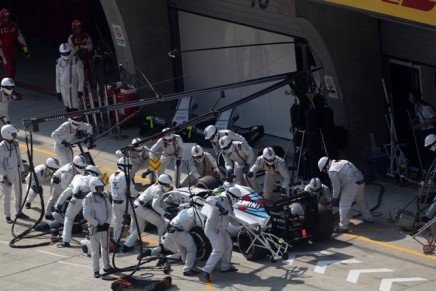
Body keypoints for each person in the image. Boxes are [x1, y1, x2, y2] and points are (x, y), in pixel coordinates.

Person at [141, 196, 205, 276]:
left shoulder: (184, 210)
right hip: (180, 233)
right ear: (198, 205)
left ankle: (186, 262)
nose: (201, 208)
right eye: (201, 206)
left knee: (181, 248)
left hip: (170, 232)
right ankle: (187, 270)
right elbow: (203, 225)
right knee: (192, 249)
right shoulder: (196, 212)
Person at [318, 156, 373, 233]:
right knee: (360, 201)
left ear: (326, 166)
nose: (325, 171)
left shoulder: (332, 171)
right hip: (361, 181)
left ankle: (343, 227)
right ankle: (369, 218)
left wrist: (334, 198)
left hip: (351, 184)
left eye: (324, 170)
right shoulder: (342, 161)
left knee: (343, 206)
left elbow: (336, 187)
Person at [121, 174, 173, 252]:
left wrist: (168, 207)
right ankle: (162, 245)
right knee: (161, 223)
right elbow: (155, 205)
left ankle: (126, 245)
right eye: (168, 185)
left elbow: (160, 203)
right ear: (163, 184)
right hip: (142, 209)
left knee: (140, 227)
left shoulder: (156, 186)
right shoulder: (158, 191)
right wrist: (165, 213)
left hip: (137, 206)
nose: (169, 186)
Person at [56, 165, 101, 247]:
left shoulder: (76, 177)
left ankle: (65, 241)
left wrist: (59, 204)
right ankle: (94, 238)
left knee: (68, 218)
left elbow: (66, 192)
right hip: (88, 200)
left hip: (75, 200)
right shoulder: (94, 179)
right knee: (93, 219)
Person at [201, 187, 240, 283]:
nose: (237, 200)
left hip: (222, 230)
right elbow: (209, 199)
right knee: (219, 249)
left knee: (229, 245)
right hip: (212, 229)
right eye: (237, 198)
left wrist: (244, 225)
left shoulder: (230, 206)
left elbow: (234, 221)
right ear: (232, 196)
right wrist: (220, 207)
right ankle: (206, 270)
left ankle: (225, 267)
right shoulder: (221, 199)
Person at [82, 176, 114, 278]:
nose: (101, 188)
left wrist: (107, 223)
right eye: (99, 187)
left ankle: (107, 266)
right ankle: (96, 270)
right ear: (93, 187)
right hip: (94, 228)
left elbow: (109, 210)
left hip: (105, 227)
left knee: (105, 248)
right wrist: (96, 224)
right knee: (95, 250)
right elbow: (86, 215)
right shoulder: (88, 199)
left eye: (102, 187)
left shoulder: (105, 196)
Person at [45, 154, 87, 220]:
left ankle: (48, 213)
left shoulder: (76, 167)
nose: (82, 169)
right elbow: (65, 188)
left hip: (65, 182)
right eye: (80, 167)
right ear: (75, 165)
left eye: (83, 167)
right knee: (62, 198)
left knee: (54, 197)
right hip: (58, 182)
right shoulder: (67, 172)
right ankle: (56, 215)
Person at [0, 124, 28, 223]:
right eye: (13, 134)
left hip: (17, 171)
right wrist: (5, 177)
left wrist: (23, 171)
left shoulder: (15, 143)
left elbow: (19, 158)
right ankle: (7, 216)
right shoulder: (1, 147)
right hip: (7, 174)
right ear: (7, 134)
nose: (15, 135)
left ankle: (18, 212)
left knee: (19, 193)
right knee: (7, 196)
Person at [0, 8, 29, 100]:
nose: (7, 19)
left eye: (8, 17)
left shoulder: (14, 25)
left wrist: (25, 49)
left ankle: (7, 88)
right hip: (3, 50)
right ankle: (8, 91)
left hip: (12, 50)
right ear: (1, 18)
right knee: (10, 69)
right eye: (5, 17)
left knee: (12, 71)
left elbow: (20, 37)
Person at [110, 157, 139, 246]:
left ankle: (116, 240)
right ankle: (132, 237)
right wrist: (138, 195)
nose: (130, 168)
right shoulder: (126, 175)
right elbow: (131, 190)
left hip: (115, 202)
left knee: (118, 222)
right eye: (129, 166)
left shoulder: (112, 175)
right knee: (135, 216)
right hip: (125, 201)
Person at [408, 90, 436, 171]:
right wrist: (414, 120)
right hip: (423, 132)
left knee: (431, 153)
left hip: (430, 131)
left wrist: (420, 125)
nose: (409, 99)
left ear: (415, 98)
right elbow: (420, 116)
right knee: (424, 153)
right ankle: (428, 170)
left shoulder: (425, 107)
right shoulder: (417, 106)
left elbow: (434, 119)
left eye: (410, 97)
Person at [56, 43, 85, 112]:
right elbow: (58, 78)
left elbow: (81, 78)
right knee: (68, 108)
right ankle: (70, 121)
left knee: (75, 108)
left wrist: (80, 90)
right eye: (64, 53)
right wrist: (58, 91)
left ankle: (77, 121)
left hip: (73, 88)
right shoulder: (58, 62)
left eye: (67, 53)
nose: (66, 55)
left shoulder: (76, 61)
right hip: (63, 88)